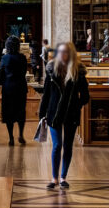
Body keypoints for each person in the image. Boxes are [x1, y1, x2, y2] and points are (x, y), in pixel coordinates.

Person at [38, 42, 89, 190]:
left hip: (71, 114)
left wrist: (76, 105)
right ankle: (53, 178)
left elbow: (85, 96)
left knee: (67, 146)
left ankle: (63, 177)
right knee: (57, 145)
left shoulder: (78, 72)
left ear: (70, 53)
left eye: (65, 52)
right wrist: (42, 114)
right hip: (54, 114)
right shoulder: (52, 71)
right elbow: (46, 94)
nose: (62, 55)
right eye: (60, 52)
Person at [0, 35, 28, 145]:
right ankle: (21, 134)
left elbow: (0, 73)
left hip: (8, 87)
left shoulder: (5, 58)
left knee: (9, 112)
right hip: (20, 87)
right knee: (21, 111)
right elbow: (24, 72)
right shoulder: (23, 57)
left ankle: (11, 137)